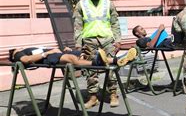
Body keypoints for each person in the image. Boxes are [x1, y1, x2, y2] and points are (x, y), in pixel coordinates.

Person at [73, 0, 122, 109]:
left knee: (111, 68)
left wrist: (117, 40)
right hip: (89, 41)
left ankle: (113, 94)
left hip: (107, 40)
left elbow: (115, 23)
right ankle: (93, 97)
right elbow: (77, 26)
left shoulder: (108, 4)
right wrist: (78, 44)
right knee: (90, 69)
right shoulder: (81, 5)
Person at [8, 46, 138, 68]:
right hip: (48, 58)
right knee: (71, 58)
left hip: (55, 54)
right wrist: (46, 53)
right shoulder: (18, 53)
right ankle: (98, 64)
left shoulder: (27, 49)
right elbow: (26, 60)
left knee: (85, 53)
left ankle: (119, 59)